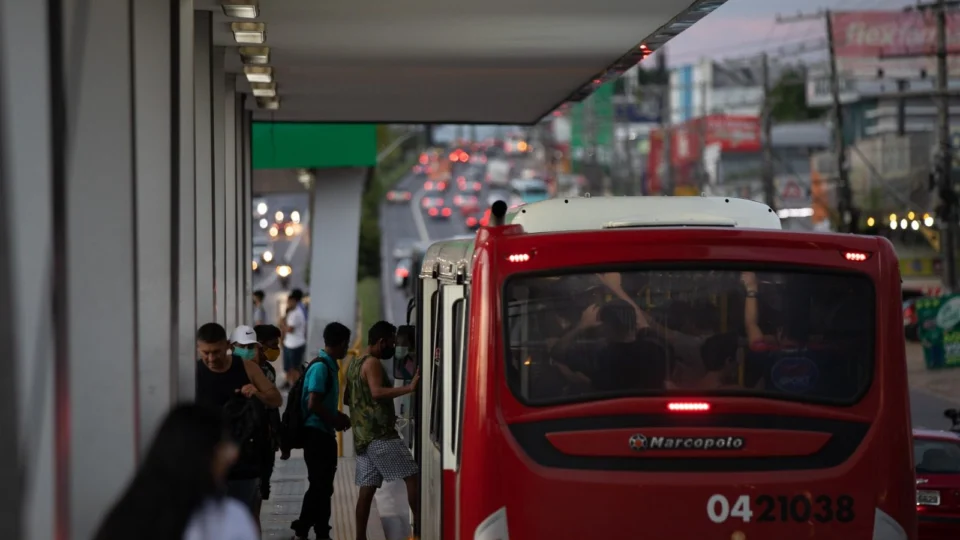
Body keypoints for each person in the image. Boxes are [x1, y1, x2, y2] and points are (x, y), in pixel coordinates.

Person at [92, 403, 259, 540]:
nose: (233, 454)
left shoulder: (125, 518)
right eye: (223, 446)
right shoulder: (226, 519)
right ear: (202, 455)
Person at [195, 323, 282, 523]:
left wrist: (257, 393)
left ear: (227, 345)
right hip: (208, 462)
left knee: (244, 518)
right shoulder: (193, 373)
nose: (210, 358)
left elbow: (276, 399)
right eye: (205, 352)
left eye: (216, 352)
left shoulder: (246, 367)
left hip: (243, 460)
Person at [345, 321, 421, 540]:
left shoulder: (354, 363)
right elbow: (377, 392)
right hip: (380, 436)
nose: (394, 347)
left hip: (362, 438)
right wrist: (409, 387)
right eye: (392, 342)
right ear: (381, 342)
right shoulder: (373, 363)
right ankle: (420, 529)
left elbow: (348, 398)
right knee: (412, 475)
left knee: (366, 491)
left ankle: (360, 537)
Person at [291, 322, 353, 540]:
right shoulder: (320, 367)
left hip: (323, 433)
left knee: (323, 486)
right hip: (316, 435)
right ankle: (306, 526)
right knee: (320, 485)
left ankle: (319, 530)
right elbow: (313, 403)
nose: (347, 350)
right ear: (342, 343)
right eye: (347, 345)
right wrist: (337, 419)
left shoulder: (328, 365)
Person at [253, 324, 283, 501]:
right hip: (253, 431)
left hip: (267, 433)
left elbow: (273, 405)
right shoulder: (246, 369)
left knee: (265, 479)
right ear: (260, 345)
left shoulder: (269, 370)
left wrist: (277, 434)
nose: (276, 350)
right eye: (273, 345)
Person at [282, 289, 309, 389]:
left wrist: (283, 326)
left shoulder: (297, 313)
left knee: (295, 368)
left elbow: (289, 329)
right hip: (289, 344)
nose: (288, 303)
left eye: (289, 302)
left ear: (294, 301)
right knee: (288, 367)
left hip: (296, 345)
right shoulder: (291, 312)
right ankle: (289, 383)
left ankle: (297, 386)